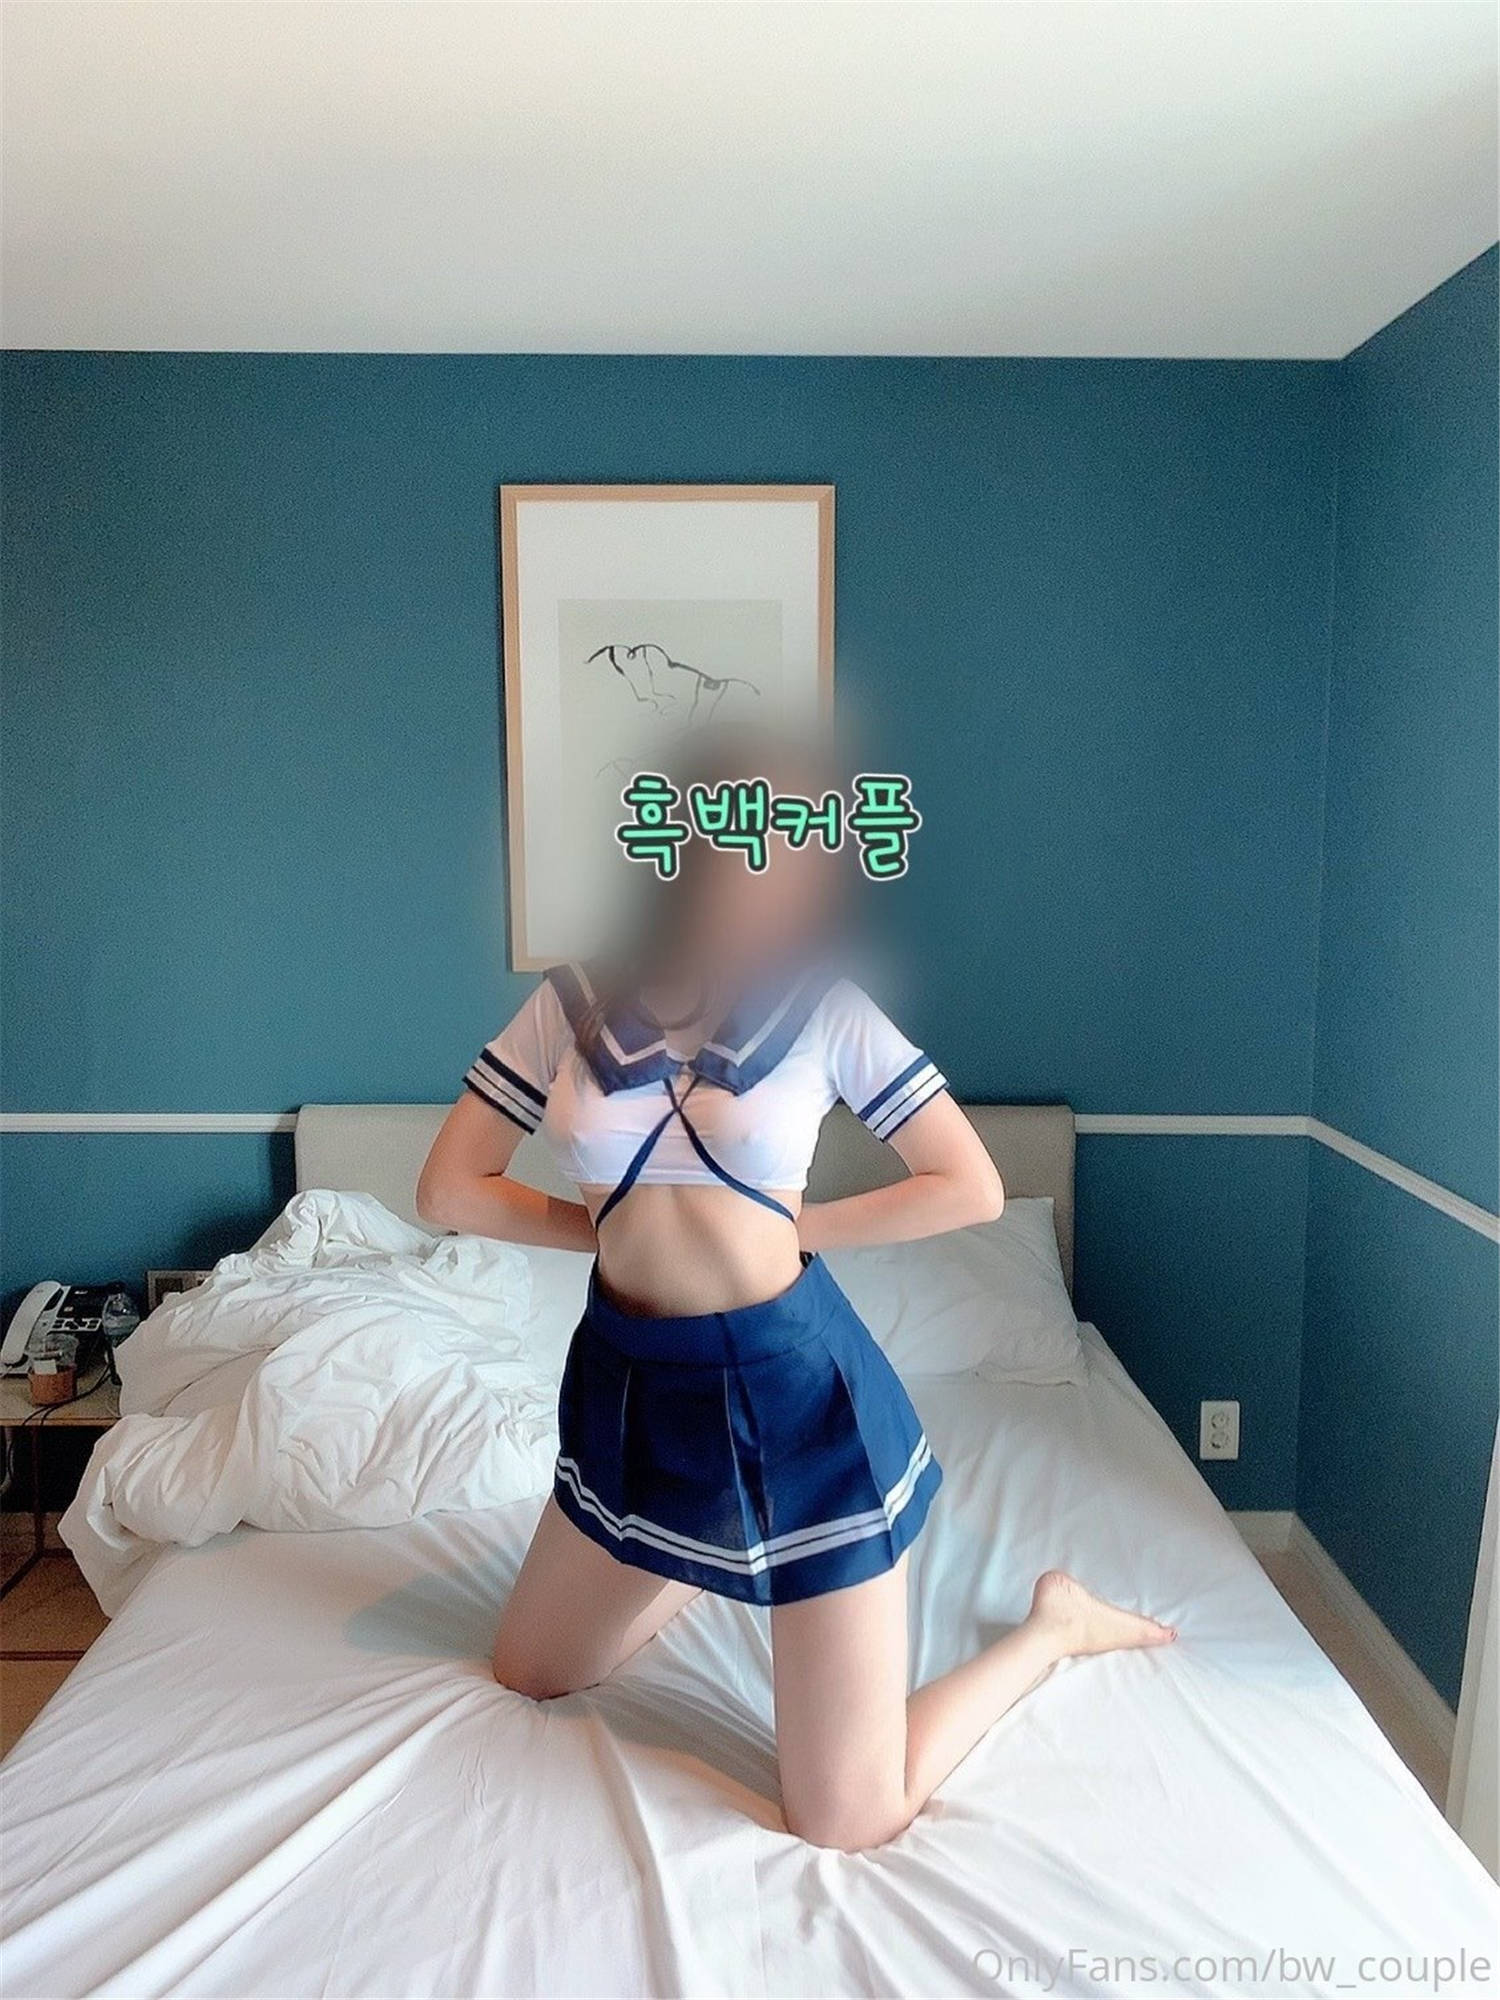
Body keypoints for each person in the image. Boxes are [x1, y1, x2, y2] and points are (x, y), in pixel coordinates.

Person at [418, 751, 1174, 1852]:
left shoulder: (825, 1008)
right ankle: (712, 1551)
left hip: (795, 1402)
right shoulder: (573, 1002)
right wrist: (604, 1229)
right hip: (631, 1383)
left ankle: (1050, 1629)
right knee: (530, 1671)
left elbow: (968, 1185)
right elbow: (449, 1188)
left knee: (847, 1816)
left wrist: (798, 1228)